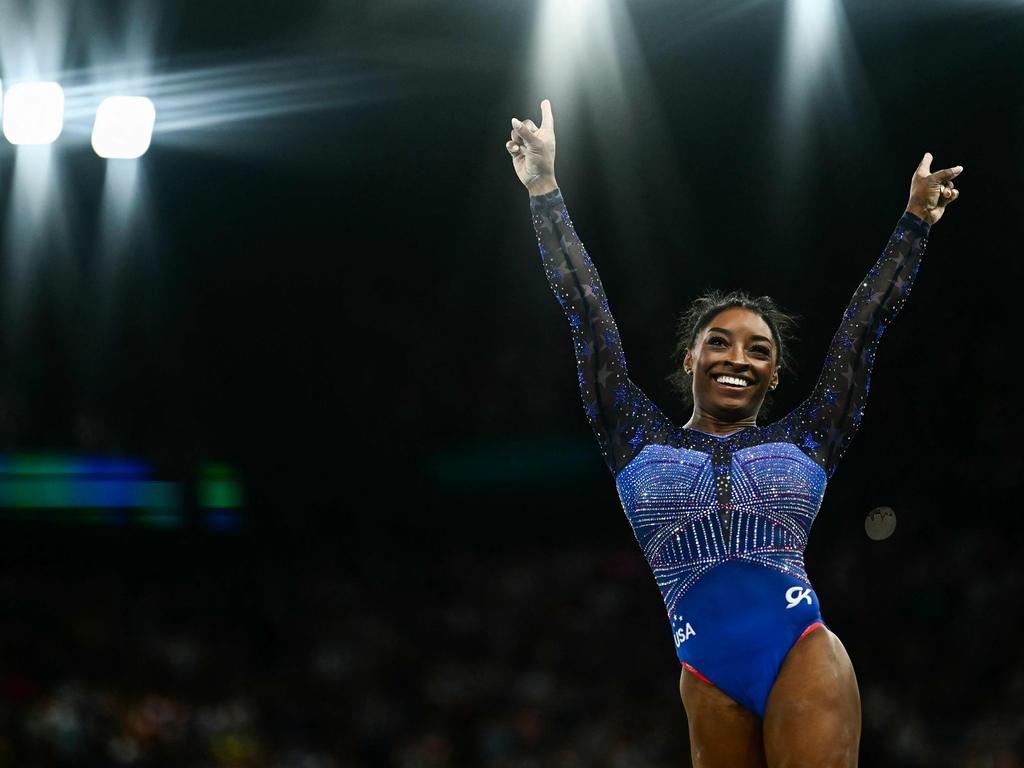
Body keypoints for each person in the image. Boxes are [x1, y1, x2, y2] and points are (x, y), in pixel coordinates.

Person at [505, 99, 961, 767]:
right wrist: (544, 189)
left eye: (759, 351)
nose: (738, 359)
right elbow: (585, 312)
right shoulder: (632, 437)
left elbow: (864, 330)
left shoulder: (809, 439)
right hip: (703, 671)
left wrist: (916, 221)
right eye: (720, 343)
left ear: (776, 376)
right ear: (690, 357)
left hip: (798, 646)